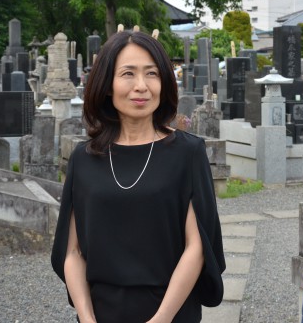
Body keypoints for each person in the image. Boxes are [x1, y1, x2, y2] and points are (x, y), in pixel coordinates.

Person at [51, 29, 225, 323]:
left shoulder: (188, 153)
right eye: (128, 74)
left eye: (152, 74)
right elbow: (73, 252)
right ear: (108, 84)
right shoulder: (84, 158)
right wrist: (87, 318)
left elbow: (196, 247)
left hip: (170, 311)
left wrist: (161, 318)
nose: (141, 86)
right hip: (101, 311)